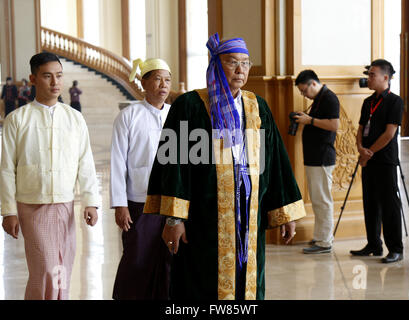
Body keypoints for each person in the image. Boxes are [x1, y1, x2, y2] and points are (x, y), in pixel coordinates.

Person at [143, 33, 306, 300]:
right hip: (203, 219)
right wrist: (174, 219)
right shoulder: (190, 106)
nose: (240, 69)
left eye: (245, 63)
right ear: (217, 65)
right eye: (232, 62)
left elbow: (275, 161)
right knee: (200, 285)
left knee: (246, 283)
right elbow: (174, 165)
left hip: (248, 216)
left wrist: (285, 212)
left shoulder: (257, 107)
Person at [0, 52, 99, 299]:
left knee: (62, 267)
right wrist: (8, 210)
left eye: (59, 76)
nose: (55, 82)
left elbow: (85, 162)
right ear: (33, 79)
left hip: (64, 204)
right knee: (43, 269)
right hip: (31, 205)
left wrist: (90, 202)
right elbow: (6, 169)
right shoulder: (17, 120)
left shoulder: (74, 119)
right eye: (47, 76)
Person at [110, 58, 172, 300]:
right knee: (137, 258)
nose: (163, 85)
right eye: (157, 78)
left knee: (167, 260)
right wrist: (120, 204)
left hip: (170, 203)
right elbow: (116, 162)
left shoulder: (176, 115)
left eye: (167, 80)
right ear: (144, 83)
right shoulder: (129, 116)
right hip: (139, 201)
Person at [350, 59, 404, 263]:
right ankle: (373, 244)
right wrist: (360, 149)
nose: (369, 78)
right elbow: (360, 129)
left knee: (389, 205)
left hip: (385, 160)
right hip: (368, 160)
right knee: (370, 203)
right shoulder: (368, 102)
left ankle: (395, 248)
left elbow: (390, 133)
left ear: (385, 78)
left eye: (372, 75)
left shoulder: (395, 101)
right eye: (369, 74)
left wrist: (369, 152)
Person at [294, 70, 340, 254]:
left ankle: (324, 242)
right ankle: (321, 236)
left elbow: (334, 125)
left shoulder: (329, 98)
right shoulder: (319, 99)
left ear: (313, 83)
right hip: (314, 157)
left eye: (304, 90)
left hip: (322, 157)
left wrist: (309, 120)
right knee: (317, 199)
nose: (304, 95)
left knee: (322, 200)